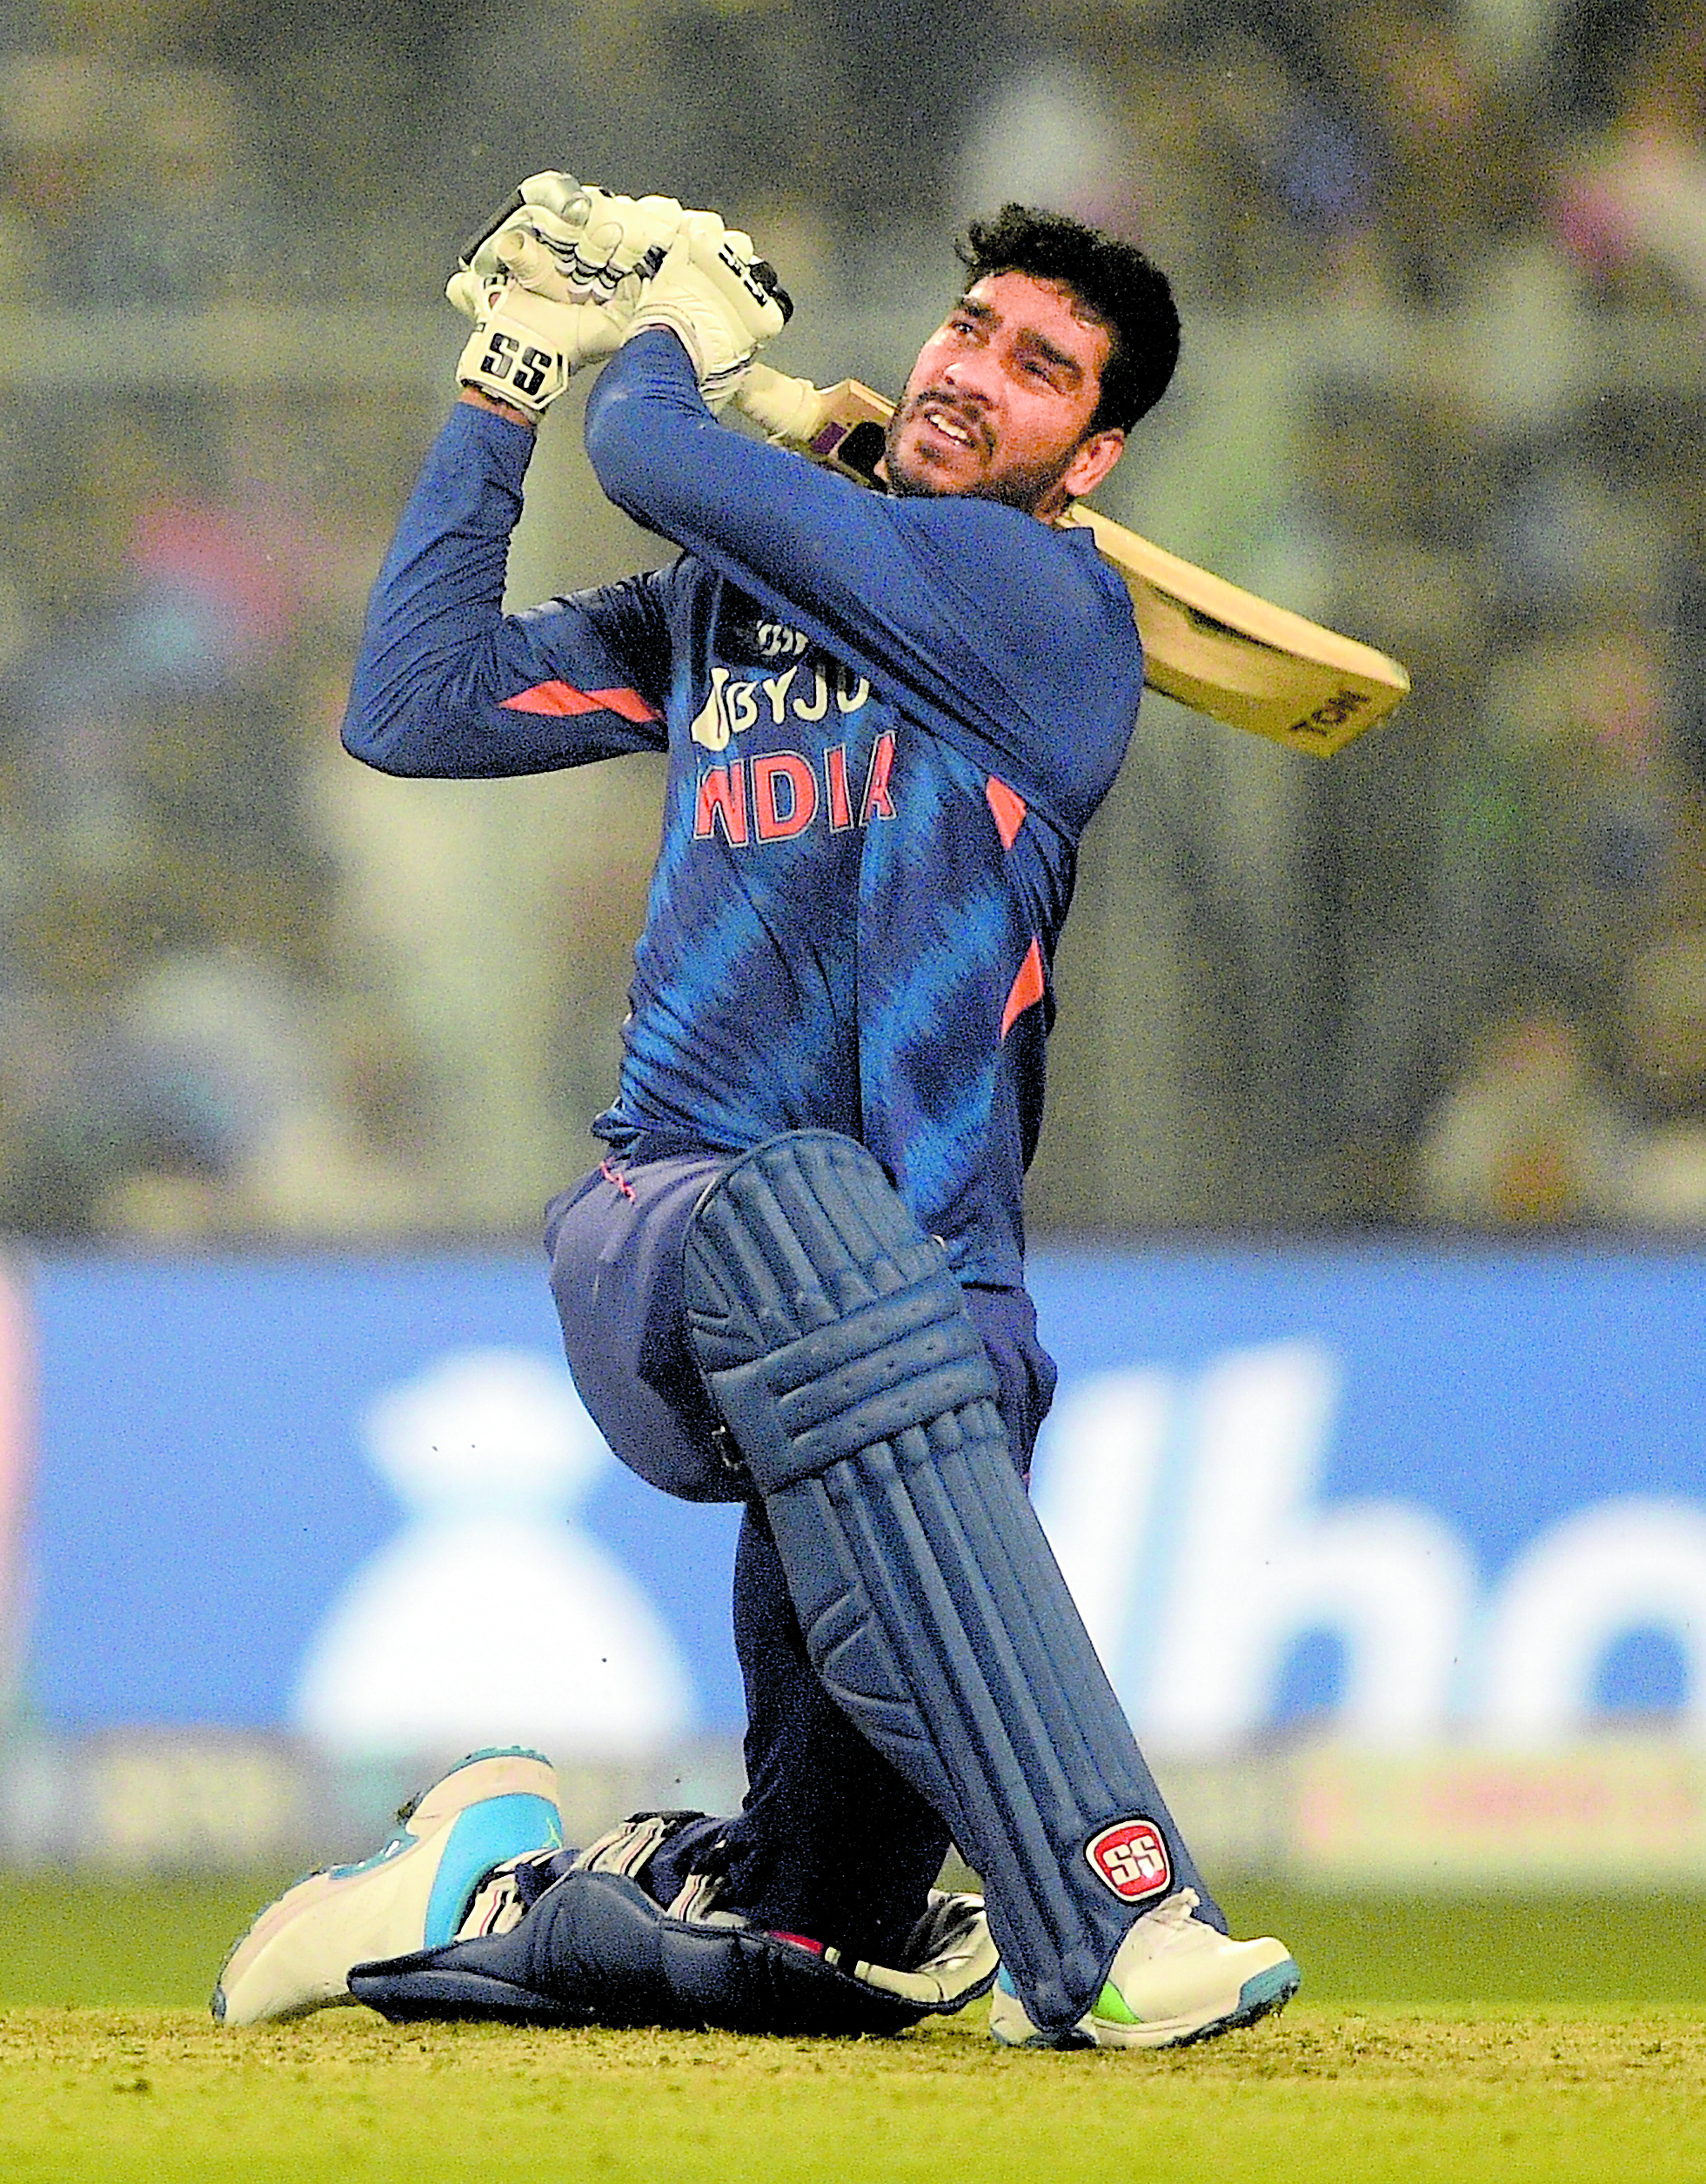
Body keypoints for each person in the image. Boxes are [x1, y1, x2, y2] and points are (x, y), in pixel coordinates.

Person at [215, 180, 1300, 2049]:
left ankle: (464, 1897)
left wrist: (656, 341)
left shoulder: (1045, 611)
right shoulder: (741, 598)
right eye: (970, 329)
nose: (978, 369)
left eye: (1041, 370)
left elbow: (652, 443)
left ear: (1095, 455)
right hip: (683, 1234)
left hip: (931, 1349)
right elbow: (413, 703)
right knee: (816, 1208)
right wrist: (498, 391)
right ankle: (1123, 1911)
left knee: (814, 1952)